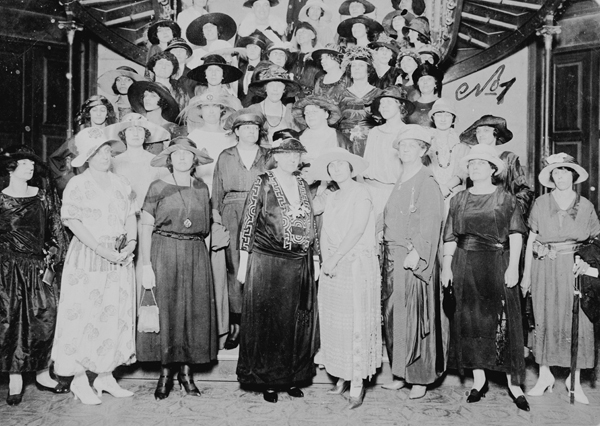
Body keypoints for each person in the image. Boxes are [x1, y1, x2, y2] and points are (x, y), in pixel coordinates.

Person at [441, 144, 530, 411]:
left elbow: (516, 233)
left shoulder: (505, 198)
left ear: (493, 169)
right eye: (471, 164)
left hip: (498, 262)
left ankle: (514, 385)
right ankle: (479, 381)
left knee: (504, 320)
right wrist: (446, 267)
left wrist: (513, 267)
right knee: (471, 321)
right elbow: (450, 236)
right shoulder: (458, 199)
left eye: (481, 163)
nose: (475, 167)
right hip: (465, 263)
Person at [51, 127, 135, 405]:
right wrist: (100, 249)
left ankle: (105, 376)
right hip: (89, 255)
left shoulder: (121, 182)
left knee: (113, 315)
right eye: (98, 152)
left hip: (118, 258)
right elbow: (73, 222)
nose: (105, 156)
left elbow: (130, 216)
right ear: (87, 157)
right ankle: (78, 379)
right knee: (84, 315)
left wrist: (131, 243)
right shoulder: (77, 184)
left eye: (108, 151)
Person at [236, 137, 319, 403]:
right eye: (287, 154)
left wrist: (315, 256)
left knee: (296, 322)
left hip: (298, 262)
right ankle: (268, 381)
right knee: (269, 322)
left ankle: (292, 377)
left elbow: (311, 223)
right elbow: (248, 222)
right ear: (277, 157)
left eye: (296, 155)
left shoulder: (302, 183)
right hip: (267, 261)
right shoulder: (263, 182)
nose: (292, 159)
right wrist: (244, 262)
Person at [137, 137, 218, 400]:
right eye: (177, 153)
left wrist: (204, 262)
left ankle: (186, 373)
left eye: (188, 153)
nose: (182, 157)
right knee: (168, 310)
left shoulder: (202, 187)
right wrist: (146, 264)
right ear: (169, 159)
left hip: (195, 252)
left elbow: (206, 230)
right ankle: (165, 374)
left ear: (194, 159)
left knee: (194, 312)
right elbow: (146, 227)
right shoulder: (157, 186)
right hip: (164, 250)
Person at [521, 153, 599, 405]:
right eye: (556, 171)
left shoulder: (586, 206)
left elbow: (596, 240)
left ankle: (574, 379)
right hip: (544, 267)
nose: (561, 176)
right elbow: (532, 239)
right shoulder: (541, 203)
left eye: (565, 171)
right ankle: (544, 375)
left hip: (574, 269)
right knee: (544, 317)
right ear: (551, 176)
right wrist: (526, 274)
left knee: (578, 321)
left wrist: (588, 262)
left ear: (573, 175)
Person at [311, 148, 381, 409]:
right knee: (335, 323)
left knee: (355, 321)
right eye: (332, 165)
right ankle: (342, 375)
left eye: (342, 164)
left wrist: (336, 258)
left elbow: (357, 229)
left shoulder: (361, 192)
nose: (337, 168)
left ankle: (357, 384)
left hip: (355, 263)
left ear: (352, 169)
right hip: (334, 265)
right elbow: (319, 221)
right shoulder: (332, 195)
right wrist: (327, 261)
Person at [0, 146, 69, 405]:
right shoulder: (1, 198)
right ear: (11, 169)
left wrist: (55, 253)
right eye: (24, 164)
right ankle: (15, 378)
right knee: (10, 320)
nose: (30, 168)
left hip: (38, 266)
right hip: (7, 269)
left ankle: (42, 373)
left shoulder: (42, 196)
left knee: (44, 317)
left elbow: (55, 227)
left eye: (32, 164)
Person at [381, 125, 445, 399]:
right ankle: (400, 373)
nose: (405, 149)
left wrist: (417, 252)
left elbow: (431, 220)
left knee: (417, 317)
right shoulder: (401, 178)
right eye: (402, 145)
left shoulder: (426, 180)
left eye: (412, 145)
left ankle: (420, 378)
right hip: (392, 258)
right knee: (395, 316)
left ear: (423, 150)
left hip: (411, 258)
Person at [212, 109, 271, 350]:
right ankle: (236, 325)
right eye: (246, 128)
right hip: (232, 212)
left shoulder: (268, 155)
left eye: (255, 128)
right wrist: (216, 218)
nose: (251, 132)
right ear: (236, 131)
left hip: (262, 212)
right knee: (234, 265)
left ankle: (259, 323)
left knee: (260, 264)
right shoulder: (225, 156)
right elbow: (217, 188)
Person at [459, 115, 534, 216]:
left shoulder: (508, 158)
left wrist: (511, 209)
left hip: (503, 215)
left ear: (495, 133)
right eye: (478, 131)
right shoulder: (472, 160)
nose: (481, 135)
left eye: (486, 130)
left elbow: (524, 190)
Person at [49, 95, 119, 195]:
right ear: (88, 113)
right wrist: (69, 180)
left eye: (102, 110)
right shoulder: (79, 138)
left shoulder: (114, 137)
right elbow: (55, 159)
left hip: (111, 188)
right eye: (94, 110)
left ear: (107, 114)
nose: (98, 114)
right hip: (87, 191)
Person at [362, 86, 413, 219]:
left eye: (388, 102)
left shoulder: (408, 133)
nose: (384, 106)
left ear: (401, 106)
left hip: (396, 194)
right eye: (381, 103)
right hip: (370, 192)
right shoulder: (374, 132)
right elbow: (365, 165)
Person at [426, 98, 471, 211]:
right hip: (429, 192)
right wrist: (436, 188)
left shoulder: (462, 144)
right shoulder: (426, 142)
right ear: (433, 118)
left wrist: (446, 187)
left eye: (447, 115)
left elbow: (462, 173)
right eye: (439, 115)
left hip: (454, 194)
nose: (443, 119)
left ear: (453, 118)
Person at [338, 46, 383, 157]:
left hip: (371, 142)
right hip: (345, 143)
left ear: (369, 70)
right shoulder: (340, 94)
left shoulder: (379, 94)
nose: (356, 68)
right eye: (353, 65)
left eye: (361, 65)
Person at [292, 95, 352, 170]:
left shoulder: (340, 140)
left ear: (326, 114)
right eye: (307, 113)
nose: (310, 115)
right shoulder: (297, 138)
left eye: (314, 111)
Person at [247, 64, 302, 144]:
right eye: (271, 85)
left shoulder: (291, 114)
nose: (275, 89)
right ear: (265, 88)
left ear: (284, 89)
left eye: (279, 85)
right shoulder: (253, 110)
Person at [128, 80, 181, 154]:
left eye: (153, 96)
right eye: (145, 95)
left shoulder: (171, 128)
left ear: (163, 100)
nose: (147, 98)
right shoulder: (137, 124)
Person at [406, 62, 443, 126]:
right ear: (418, 84)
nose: (425, 82)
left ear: (435, 83)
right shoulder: (410, 107)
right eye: (422, 79)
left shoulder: (443, 104)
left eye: (429, 79)